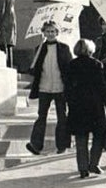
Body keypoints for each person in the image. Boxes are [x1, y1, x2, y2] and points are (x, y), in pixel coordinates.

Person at [64, 39, 106, 178]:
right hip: (95, 106)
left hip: (78, 107)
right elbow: (102, 87)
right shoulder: (97, 65)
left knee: (81, 139)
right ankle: (94, 163)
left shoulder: (71, 65)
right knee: (99, 136)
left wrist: (69, 103)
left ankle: (83, 168)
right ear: (90, 50)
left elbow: (67, 87)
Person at [26, 21, 73, 156]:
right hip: (44, 87)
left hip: (60, 87)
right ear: (44, 33)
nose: (50, 34)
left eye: (53, 31)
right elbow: (36, 68)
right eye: (48, 31)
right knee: (41, 116)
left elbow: (69, 67)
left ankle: (62, 145)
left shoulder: (64, 48)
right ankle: (36, 145)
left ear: (57, 33)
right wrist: (32, 69)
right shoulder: (39, 48)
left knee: (61, 117)